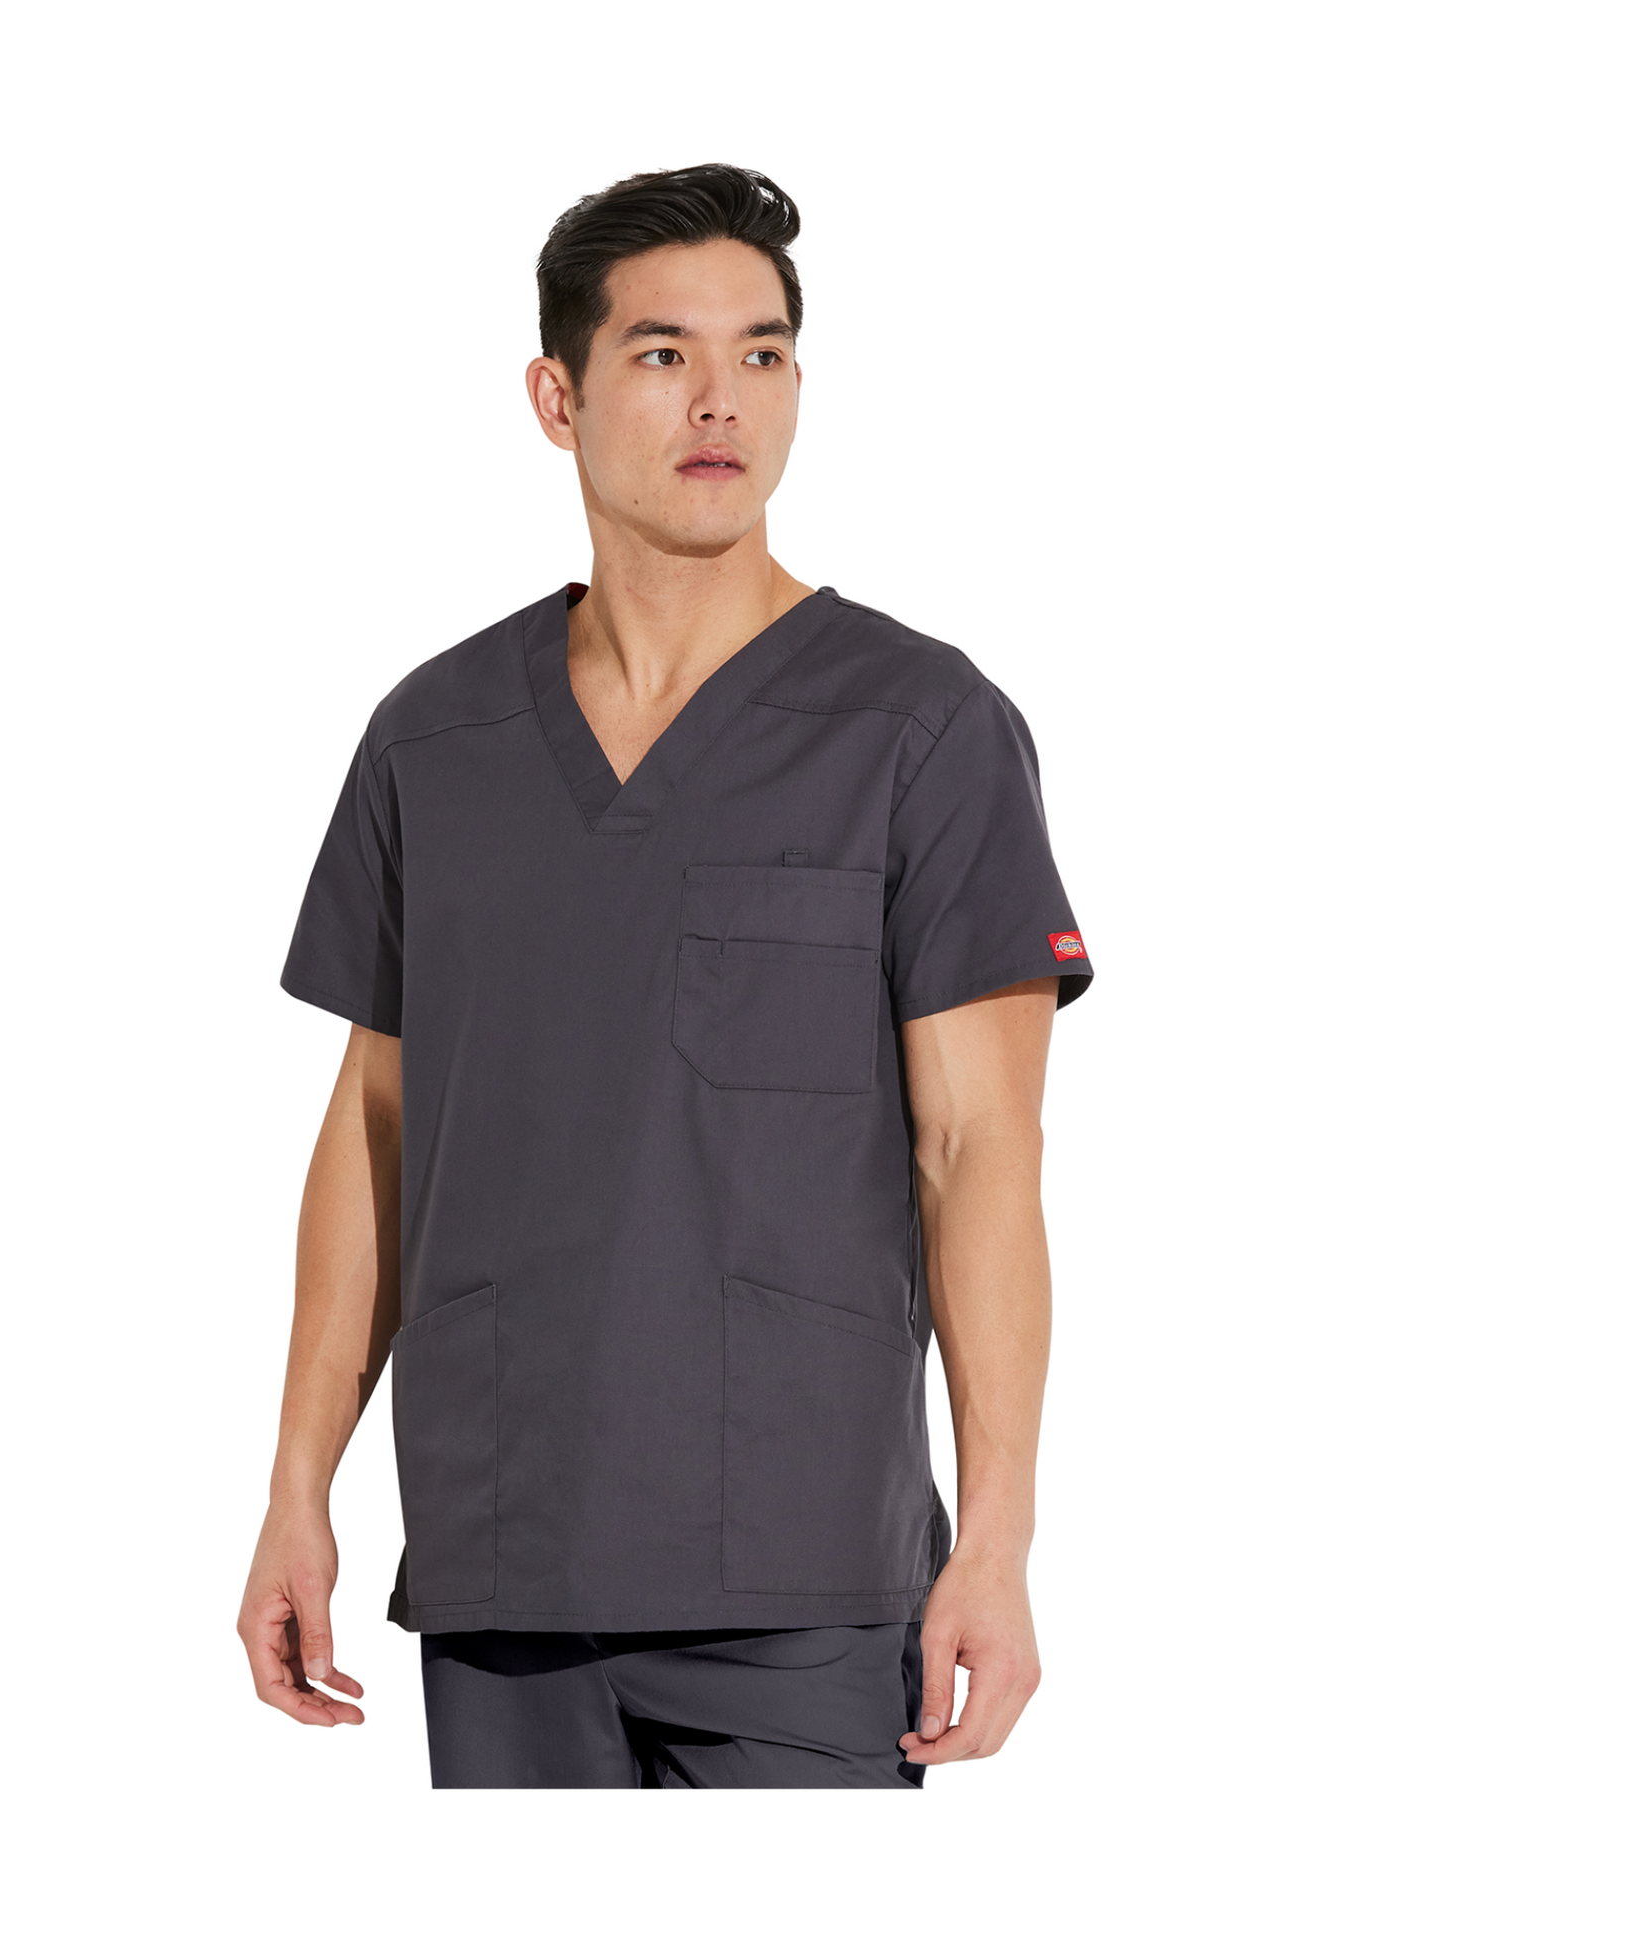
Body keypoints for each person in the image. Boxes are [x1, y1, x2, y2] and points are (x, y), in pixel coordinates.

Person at [236, 163, 1093, 1789]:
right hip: (502, 1558)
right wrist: (297, 1485)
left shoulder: (921, 730)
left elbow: (980, 1149)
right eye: (661, 353)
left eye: (762, 352)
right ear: (555, 398)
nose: (722, 400)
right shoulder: (435, 739)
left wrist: (995, 1536)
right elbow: (378, 1129)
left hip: (803, 1578)